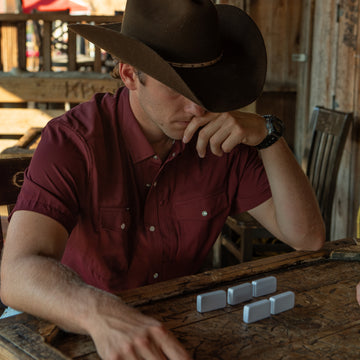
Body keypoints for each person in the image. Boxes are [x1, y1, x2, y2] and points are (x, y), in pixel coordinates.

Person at [0, 0, 325, 359]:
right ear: (128, 74)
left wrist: (269, 136)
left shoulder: (220, 139)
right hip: (71, 323)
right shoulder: (73, 141)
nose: (196, 108)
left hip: (173, 325)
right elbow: (16, 272)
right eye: (176, 88)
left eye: (203, 88)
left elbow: (307, 238)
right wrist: (101, 313)